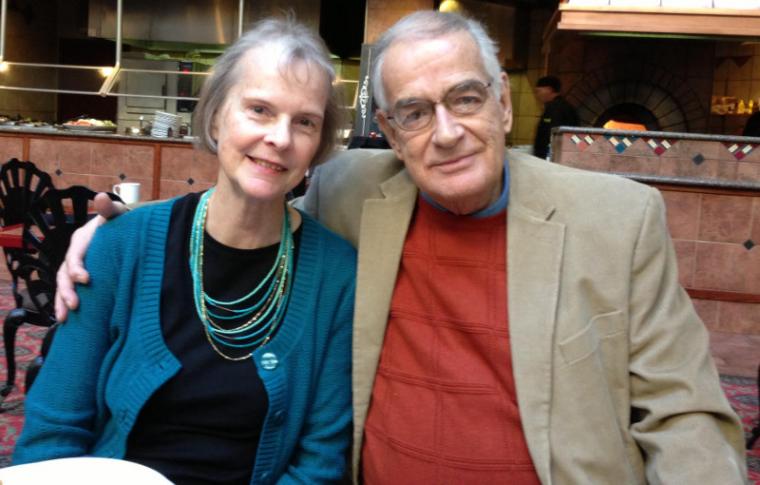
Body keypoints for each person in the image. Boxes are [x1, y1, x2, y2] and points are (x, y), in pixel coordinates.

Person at [55, 11, 746, 484]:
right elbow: (245, 194)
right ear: (386, 128)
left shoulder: (617, 219)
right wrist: (113, 225)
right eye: (415, 112)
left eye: (466, 99)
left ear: (503, 103)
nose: (444, 132)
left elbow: (686, 414)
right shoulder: (350, 189)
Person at [14, 18, 356, 485]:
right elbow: (52, 433)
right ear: (216, 116)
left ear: (317, 145)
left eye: (305, 122)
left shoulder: (337, 274)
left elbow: (318, 465)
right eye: (259, 109)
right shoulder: (118, 246)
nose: (280, 137)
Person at [532, 75, 579, 160]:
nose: (537, 95)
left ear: (549, 90)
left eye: (539, 91)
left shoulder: (555, 108)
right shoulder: (566, 106)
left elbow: (550, 136)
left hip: (551, 159)